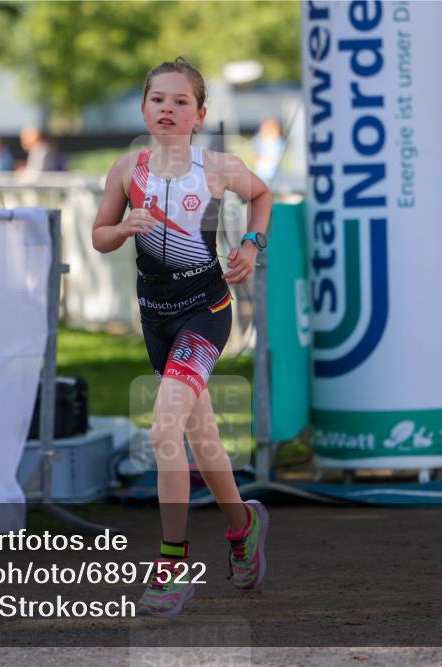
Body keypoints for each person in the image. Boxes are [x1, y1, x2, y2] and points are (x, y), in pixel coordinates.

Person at [92, 57, 272, 617]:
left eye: (180, 102)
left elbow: (263, 197)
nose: (167, 110)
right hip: (156, 315)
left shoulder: (219, 166)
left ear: (199, 114)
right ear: (144, 107)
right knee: (204, 436)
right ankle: (243, 524)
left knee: (165, 424)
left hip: (206, 308)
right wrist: (122, 228)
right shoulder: (126, 169)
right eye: (158, 100)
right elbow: (99, 236)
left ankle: (171, 562)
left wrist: (251, 247)